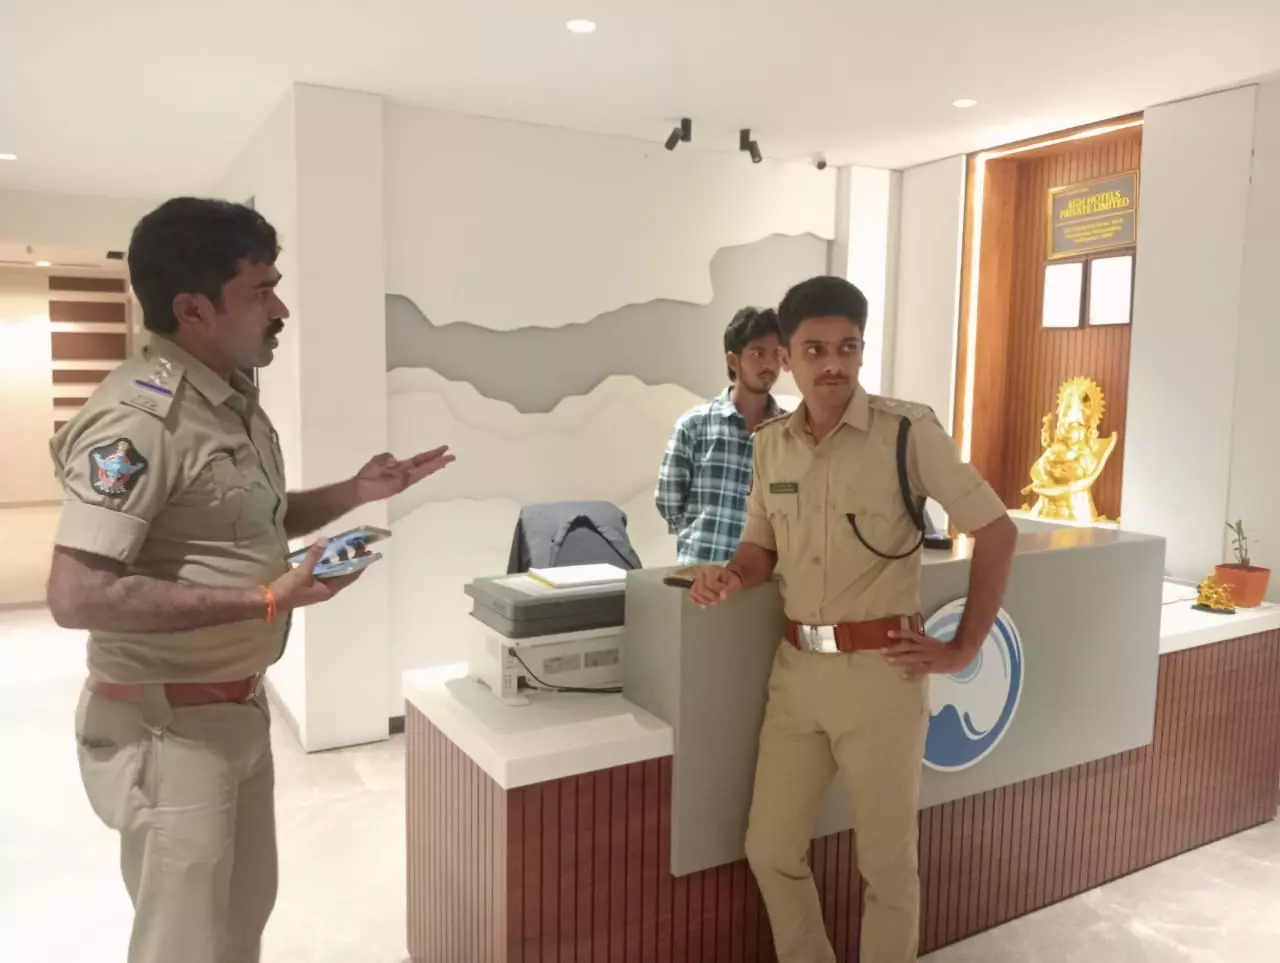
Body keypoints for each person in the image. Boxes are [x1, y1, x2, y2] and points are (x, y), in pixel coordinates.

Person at [45, 197, 455, 963]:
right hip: (167, 725)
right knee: (183, 942)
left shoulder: (229, 398)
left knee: (238, 923)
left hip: (234, 708)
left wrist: (357, 490)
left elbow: (246, 520)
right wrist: (266, 598)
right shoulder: (141, 418)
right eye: (262, 290)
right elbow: (77, 593)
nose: (281, 308)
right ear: (193, 308)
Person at [689, 276, 1017, 963]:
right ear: (788, 357)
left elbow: (997, 530)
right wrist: (731, 576)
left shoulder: (907, 432)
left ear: (862, 350)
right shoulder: (770, 444)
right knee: (770, 847)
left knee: (886, 864)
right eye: (815, 349)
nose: (833, 363)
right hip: (796, 675)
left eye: (848, 347)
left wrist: (963, 648)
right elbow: (760, 548)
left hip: (880, 674)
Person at [655, 306, 783, 564]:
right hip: (700, 574)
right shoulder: (694, 425)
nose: (769, 364)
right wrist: (702, 537)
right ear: (733, 361)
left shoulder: (788, 432)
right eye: (758, 353)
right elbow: (669, 502)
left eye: (776, 354)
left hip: (762, 577)